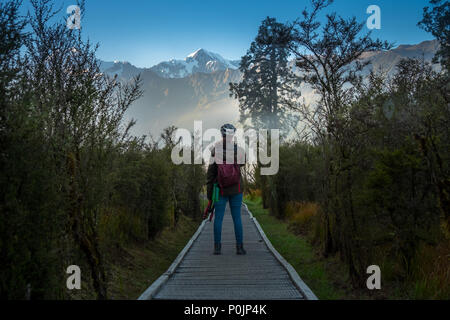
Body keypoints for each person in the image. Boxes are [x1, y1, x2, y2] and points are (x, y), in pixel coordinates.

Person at [206, 124, 246, 255]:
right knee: (237, 218)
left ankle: (217, 248)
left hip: (219, 189)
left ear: (221, 134)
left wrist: (210, 194)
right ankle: (239, 248)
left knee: (218, 219)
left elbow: (210, 174)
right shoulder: (239, 150)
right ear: (232, 134)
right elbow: (243, 163)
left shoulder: (214, 150)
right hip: (236, 189)